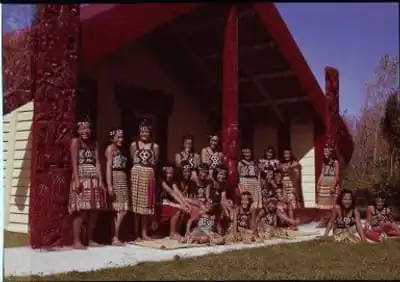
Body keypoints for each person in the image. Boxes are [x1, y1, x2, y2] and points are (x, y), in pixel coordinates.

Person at [69, 120, 106, 249]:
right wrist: (77, 179)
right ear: (77, 131)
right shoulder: (76, 142)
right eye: (82, 129)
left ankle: (90, 239)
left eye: (87, 129)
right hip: (82, 177)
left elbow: (98, 163)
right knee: (81, 210)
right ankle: (76, 240)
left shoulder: (94, 144)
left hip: (94, 179)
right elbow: (74, 162)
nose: (85, 131)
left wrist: (101, 180)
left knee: (94, 210)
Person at [130, 119, 159, 241]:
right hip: (137, 174)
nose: (144, 134)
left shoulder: (155, 146)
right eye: (142, 131)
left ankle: (144, 233)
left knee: (146, 206)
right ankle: (136, 234)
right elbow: (133, 159)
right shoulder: (133, 145)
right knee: (136, 206)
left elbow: (155, 162)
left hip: (148, 174)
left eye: (146, 131)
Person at [105, 128, 129, 246]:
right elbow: (109, 167)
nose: (121, 139)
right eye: (118, 137)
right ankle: (114, 236)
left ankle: (116, 235)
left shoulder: (121, 150)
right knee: (120, 209)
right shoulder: (110, 149)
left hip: (122, 178)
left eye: (122, 137)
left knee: (122, 209)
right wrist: (109, 185)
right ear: (112, 138)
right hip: (115, 178)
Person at [159, 164, 191, 240]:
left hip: (167, 201)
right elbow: (171, 192)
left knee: (182, 208)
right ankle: (172, 233)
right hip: (159, 201)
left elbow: (177, 192)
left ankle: (177, 232)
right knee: (178, 209)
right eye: (168, 173)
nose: (169, 175)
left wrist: (184, 203)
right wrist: (181, 204)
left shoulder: (173, 181)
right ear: (164, 172)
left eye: (171, 173)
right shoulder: (161, 180)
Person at [317, 144, 340, 210]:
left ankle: (332, 217)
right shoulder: (324, 162)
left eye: (326, 152)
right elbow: (322, 173)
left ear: (331, 152)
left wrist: (333, 185)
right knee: (323, 202)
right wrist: (318, 183)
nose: (325, 154)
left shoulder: (335, 162)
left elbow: (337, 175)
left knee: (332, 203)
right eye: (324, 152)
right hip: (324, 184)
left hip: (332, 184)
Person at [280, 148, 302, 214]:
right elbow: (279, 168)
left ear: (290, 154)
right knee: (285, 199)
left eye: (288, 154)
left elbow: (298, 164)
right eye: (285, 154)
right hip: (284, 183)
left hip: (292, 182)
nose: (286, 155)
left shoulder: (294, 162)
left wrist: (290, 167)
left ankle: (295, 215)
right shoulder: (281, 163)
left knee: (293, 198)